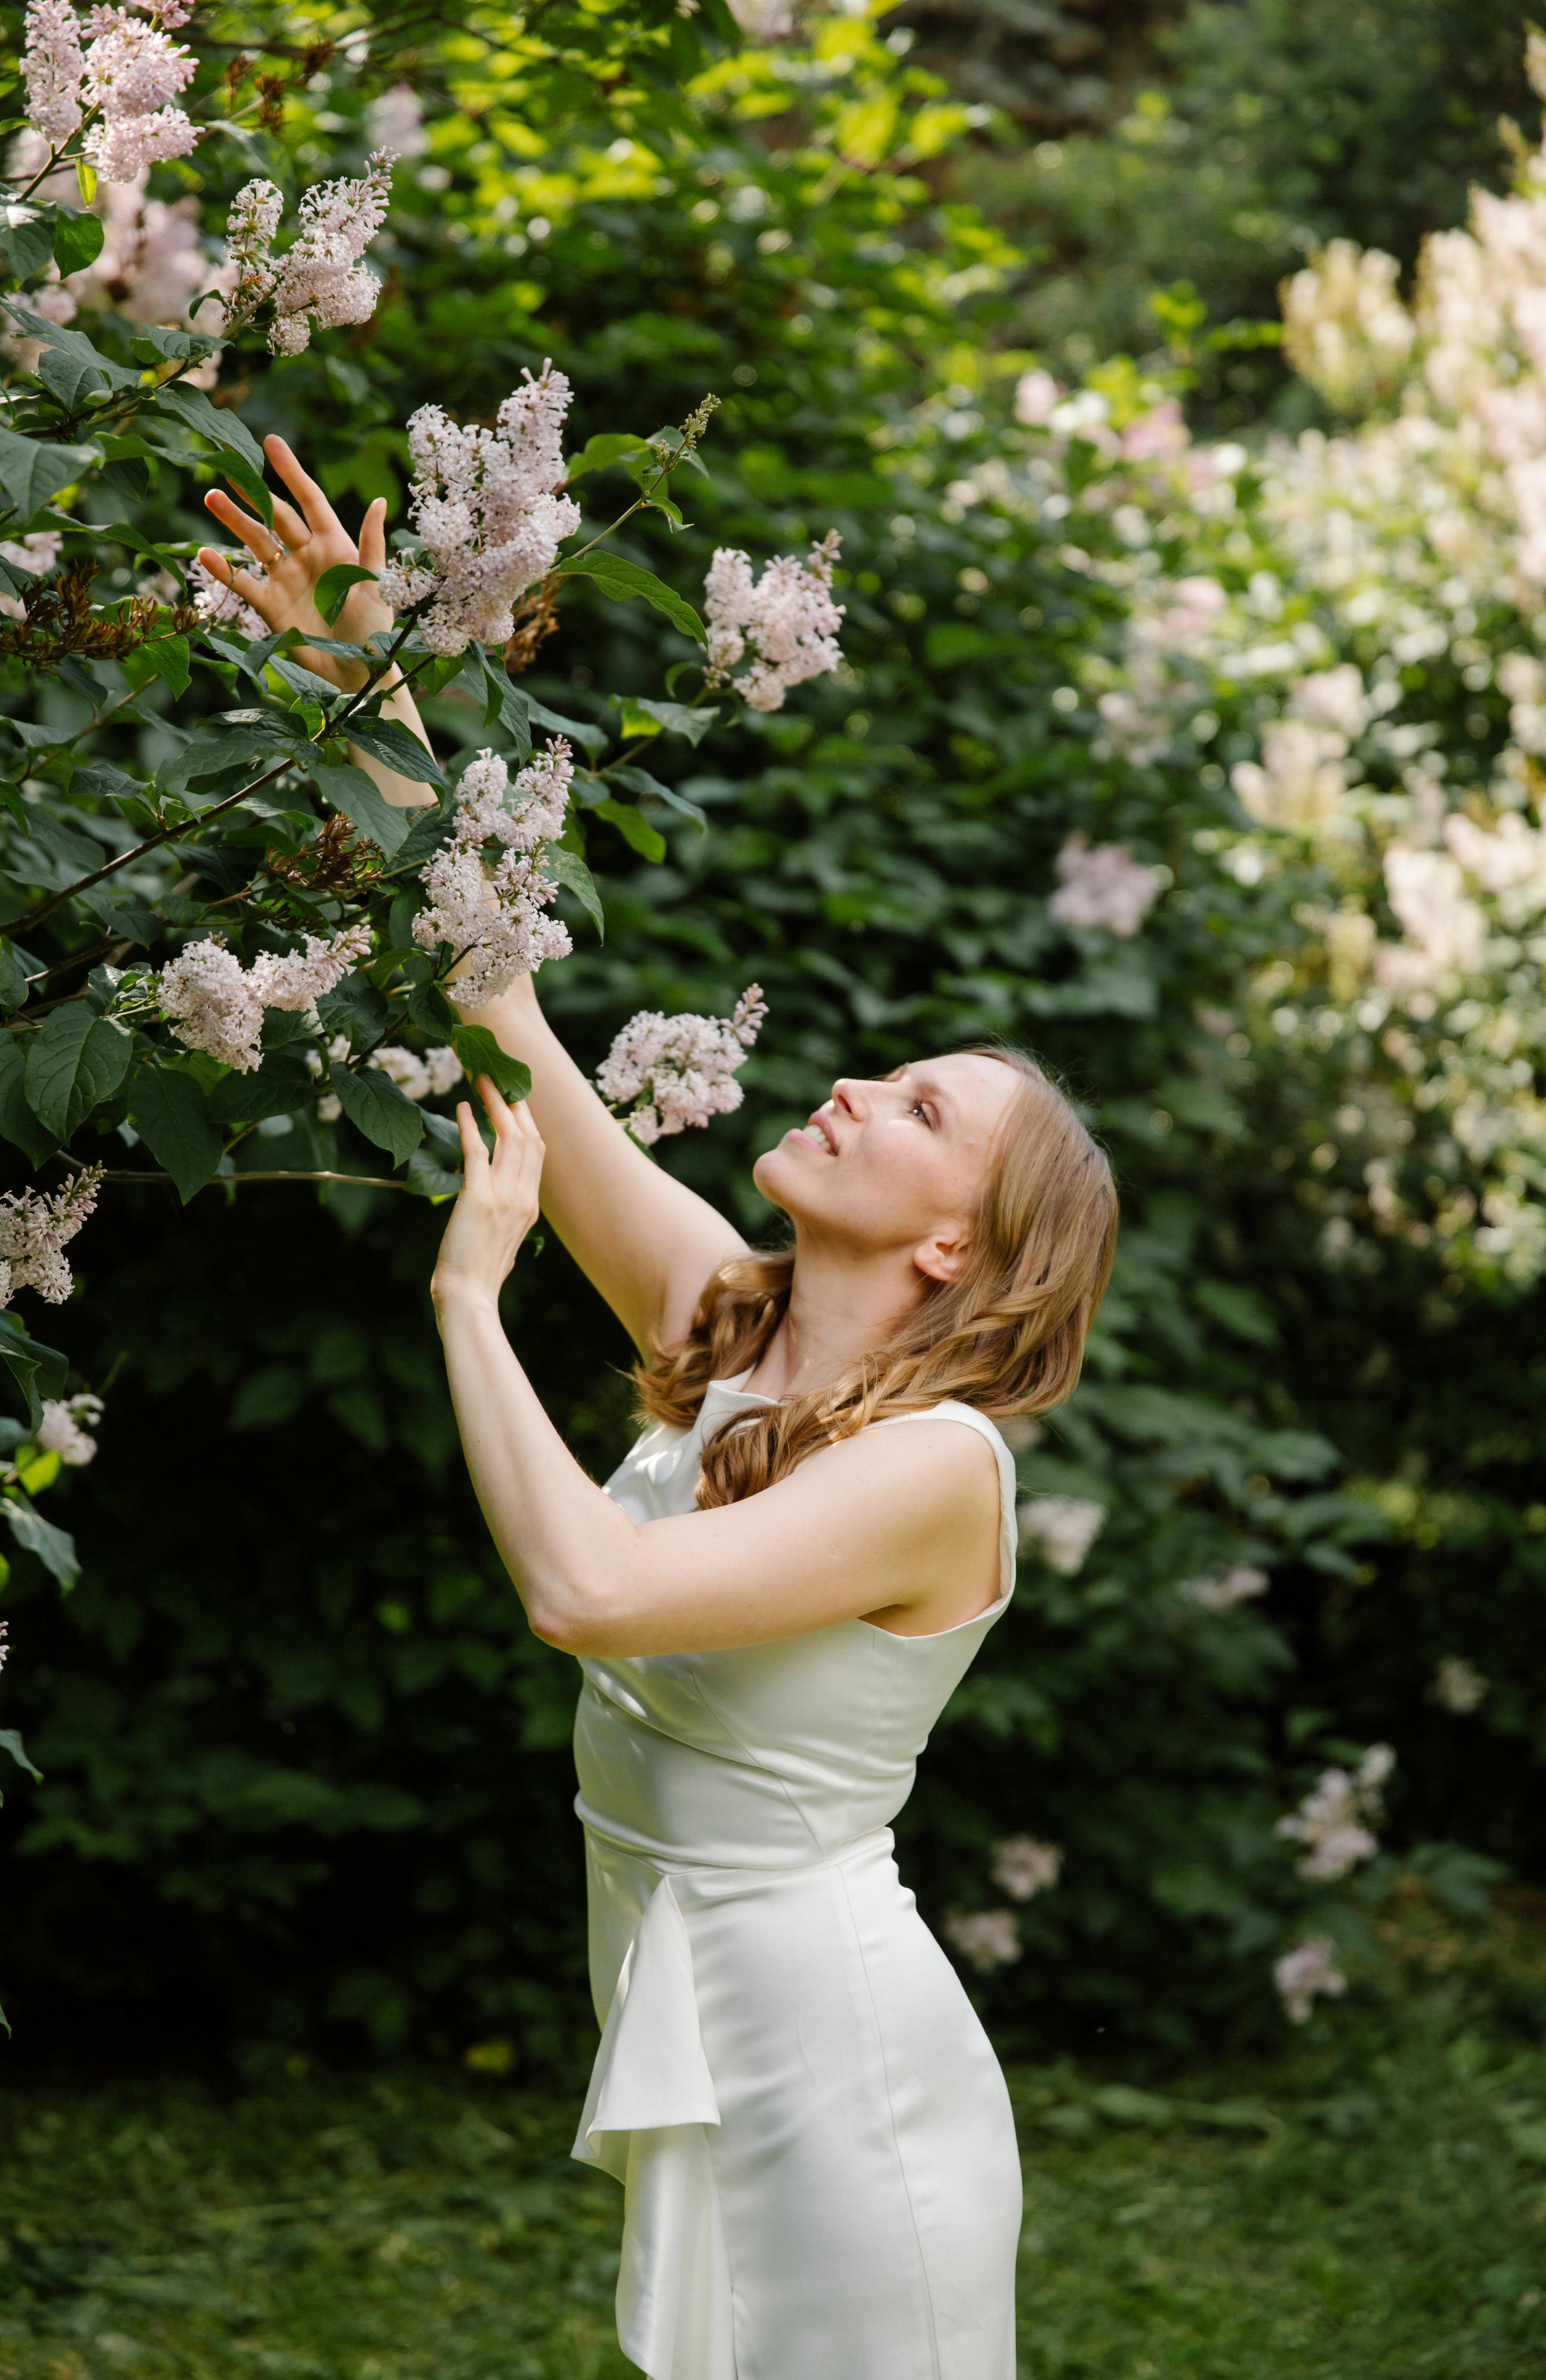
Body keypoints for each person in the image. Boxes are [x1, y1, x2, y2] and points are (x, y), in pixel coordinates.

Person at [198, 442, 1121, 2380]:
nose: (862, 1091)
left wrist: (468, 1289)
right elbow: (503, 1009)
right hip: (691, 2000)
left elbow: (594, 1596)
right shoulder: (735, 1313)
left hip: (841, 2070)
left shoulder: (938, 1470)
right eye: (885, 1073)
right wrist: (370, 686)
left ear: (959, 1251)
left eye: (921, 1111)